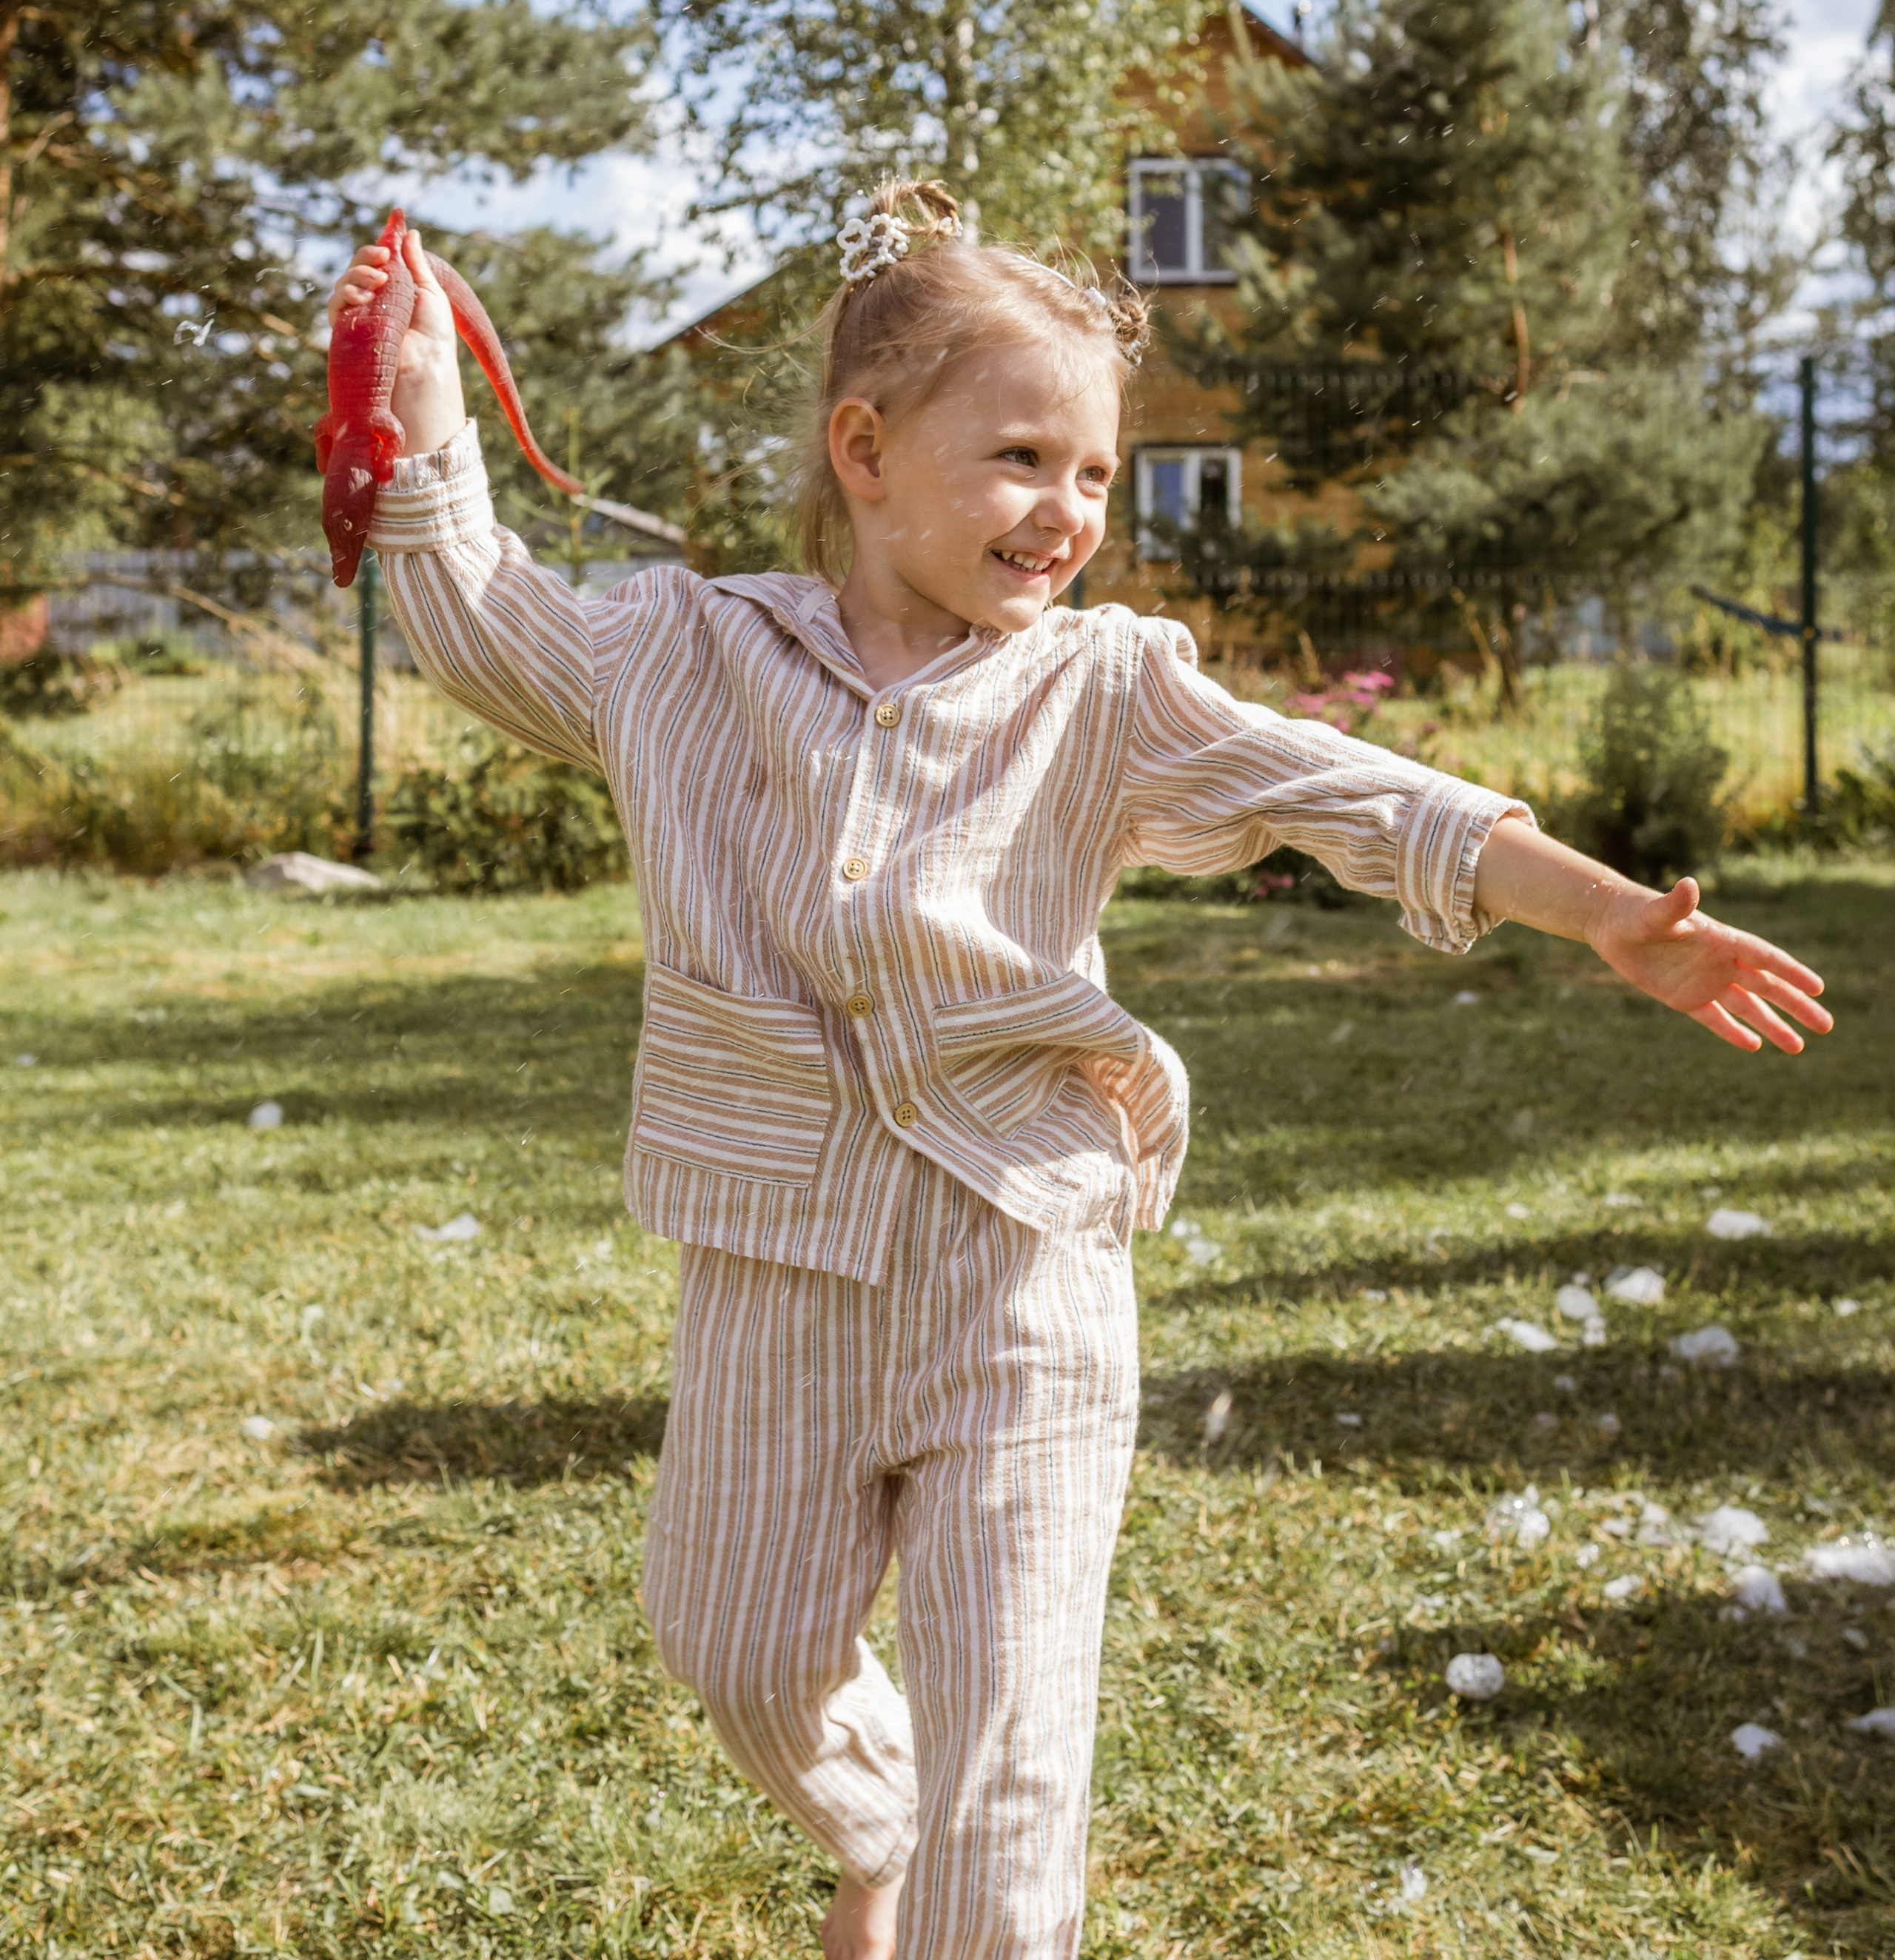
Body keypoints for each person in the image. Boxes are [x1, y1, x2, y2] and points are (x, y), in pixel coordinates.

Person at [329, 178, 1828, 1960]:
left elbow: (1340, 791)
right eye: (1022, 458)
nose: (1066, 515)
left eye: (1098, 476)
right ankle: (875, 1832)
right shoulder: (682, 652)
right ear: (865, 451)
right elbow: (485, 614)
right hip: (768, 1263)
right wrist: (415, 395)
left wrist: (1592, 912)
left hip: (1025, 1262)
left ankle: (959, 1892)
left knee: (1012, 1761)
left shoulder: (1102, 688)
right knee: (732, 1647)